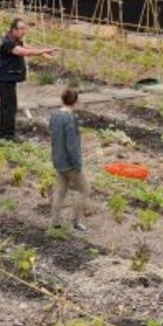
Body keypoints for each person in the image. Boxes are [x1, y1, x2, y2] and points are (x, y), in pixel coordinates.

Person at [0, 17, 56, 142]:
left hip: (7, 78)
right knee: (10, 107)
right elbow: (23, 52)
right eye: (21, 28)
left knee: (7, 106)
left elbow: (26, 47)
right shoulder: (8, 43)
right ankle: (8, 135)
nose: (24, 31)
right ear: (13, 30)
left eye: (25, 28)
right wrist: (43, 51)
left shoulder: (15, 39)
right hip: (4, 79)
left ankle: (3, 133)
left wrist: (43, 54)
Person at [49, 88, 89, 233]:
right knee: (84, 189)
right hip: (69, 163)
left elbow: (53, 138)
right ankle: (76, 222)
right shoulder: (70, 119)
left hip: (58, 160)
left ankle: (55, 222)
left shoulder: (54, 115)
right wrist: (78, 164)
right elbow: (71, 145)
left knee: (59, 191)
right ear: (76, 102)